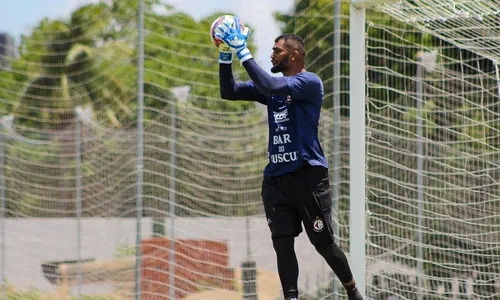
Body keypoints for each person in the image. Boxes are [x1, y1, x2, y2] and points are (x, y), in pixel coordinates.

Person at [213, 17, 364, 300]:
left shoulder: (309, 82)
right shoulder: (273, 88)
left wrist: (243, 52)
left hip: (308, 175)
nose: (271, 54)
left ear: (293, 55)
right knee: (282, 242)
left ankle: (353, 291)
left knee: (323, 242)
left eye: (276, 50)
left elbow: (270, 85)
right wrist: (225, 54)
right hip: (276, 178)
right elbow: (229, 91)